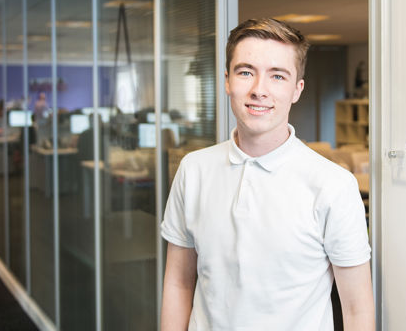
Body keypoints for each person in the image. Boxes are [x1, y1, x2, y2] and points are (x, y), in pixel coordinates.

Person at [160, 18, 374, 330]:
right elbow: (178, 284)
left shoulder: (333, 185)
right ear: (227, 81)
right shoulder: (194, 170)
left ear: (297, 89)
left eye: (277, 76)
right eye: (246, 72)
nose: (260, 90)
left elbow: (357, 310)